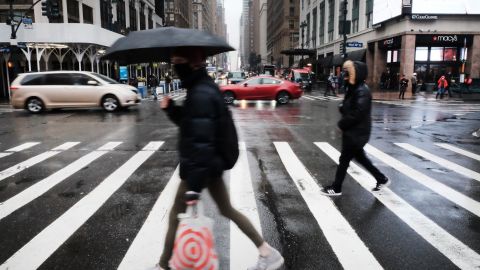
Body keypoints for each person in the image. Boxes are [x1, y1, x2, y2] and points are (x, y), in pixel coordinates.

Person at [157, 47, 284, 270]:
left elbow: (201, 141)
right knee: (227, 209)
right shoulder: (201, 88)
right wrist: (171, 110)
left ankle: (163, 264)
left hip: (200, 167)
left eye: (178, 61)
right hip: (211, 165)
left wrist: (194, 187)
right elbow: (193, 125)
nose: (174, 66)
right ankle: (266, 251)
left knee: (176, 213)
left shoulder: (200, 93)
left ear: (191, 63)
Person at [320, 60, 390, 196]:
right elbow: (349, 107)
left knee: (344, 160)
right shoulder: (354, 88)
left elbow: (357, 114)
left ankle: (336, 188)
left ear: (356, 74)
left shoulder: (362, 91)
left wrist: (342, 124)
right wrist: (342, 107)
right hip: (354, 132)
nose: (344, 74)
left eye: (347, 72)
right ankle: (381, 179)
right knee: (361, 158)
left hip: (356, 133)